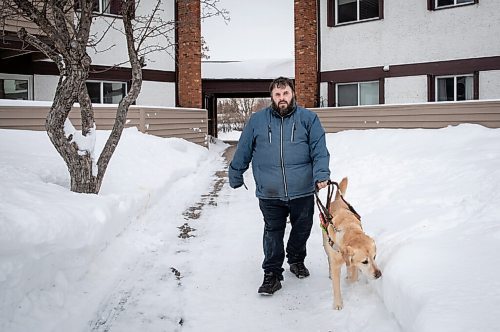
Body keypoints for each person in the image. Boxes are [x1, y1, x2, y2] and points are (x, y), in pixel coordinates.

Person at [228, 77, 331, 295]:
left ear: (292, 94)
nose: (281, 98)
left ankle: (295, 259)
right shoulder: (257, 121)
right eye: (277, 94)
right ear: (271, 97)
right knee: (273, 231)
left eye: (285, 94)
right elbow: (244, 148)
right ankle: (272, 274)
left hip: (302, 189)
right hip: (270, 191)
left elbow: (319, 150)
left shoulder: (308, 119)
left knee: (301, 229)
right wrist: (236, 172)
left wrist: (321, 174)